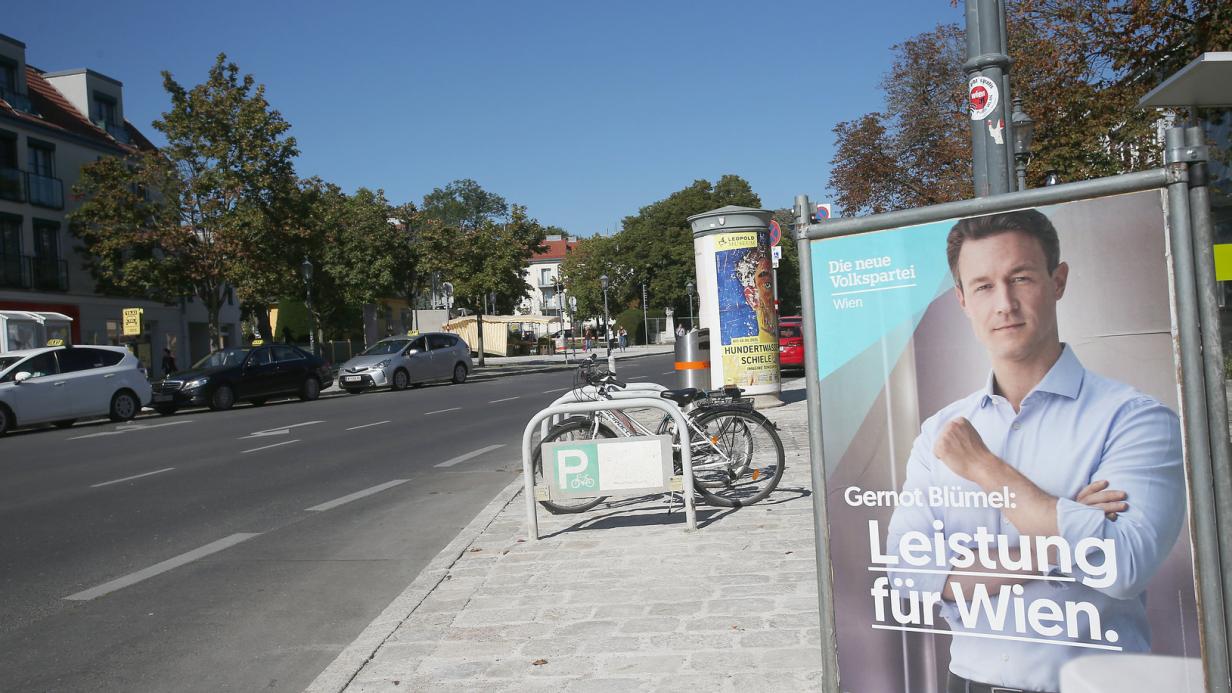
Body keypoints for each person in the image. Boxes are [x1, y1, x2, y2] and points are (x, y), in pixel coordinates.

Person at [884, 209, 1185, 693]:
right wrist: (1062, 534)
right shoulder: (940, 431)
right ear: (962, 300)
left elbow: (1125, 564)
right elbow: (907, 573)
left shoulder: (1135, 419)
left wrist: (984, 468)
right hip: (969, 682)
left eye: (1020, 278)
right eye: (982, 286)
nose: (1004, 304)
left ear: (1057, 280)